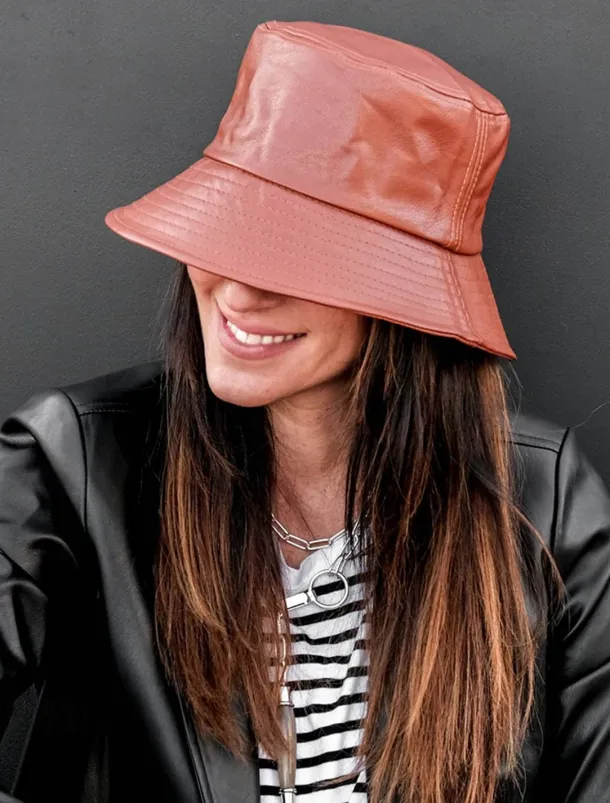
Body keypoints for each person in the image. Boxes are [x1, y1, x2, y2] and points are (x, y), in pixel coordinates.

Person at [1, 18, 609, 803]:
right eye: (228, 226)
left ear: (408, 300)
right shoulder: (71, 465)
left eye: (301, 251)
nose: (240, 287)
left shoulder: (548, 508)